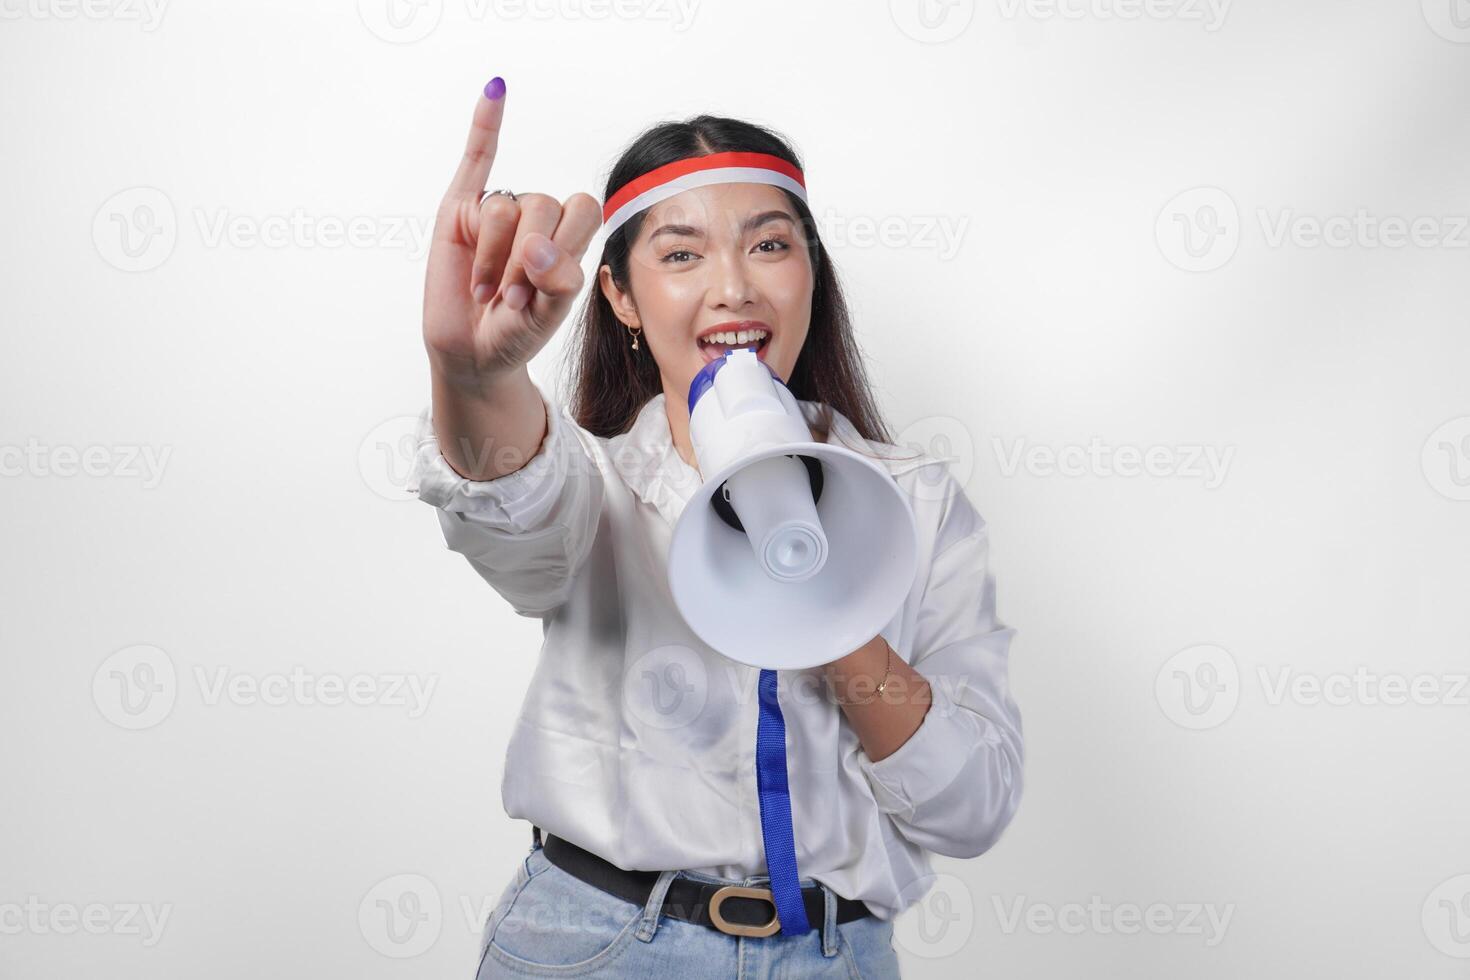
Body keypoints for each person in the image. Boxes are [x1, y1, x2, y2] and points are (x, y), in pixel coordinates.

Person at [408, 75, 1024, 979]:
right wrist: (471, 379)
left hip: (833, 956)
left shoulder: (916, 505)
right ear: (620, 297)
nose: (734, 288)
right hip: (598, 946)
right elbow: (517, 522)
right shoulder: (596, 483)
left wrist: (823, 601)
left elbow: (971, 809)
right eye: (682, 255)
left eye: (769, 245)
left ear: (811, 270)